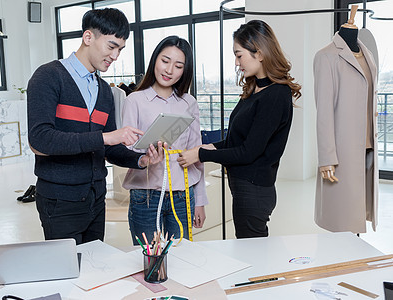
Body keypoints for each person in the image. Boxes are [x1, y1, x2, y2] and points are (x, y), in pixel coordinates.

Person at [27, 8, 163, 245]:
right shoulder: (48, 76)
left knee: (93, 272)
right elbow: (40, 139)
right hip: (60, 200)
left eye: (120, 49)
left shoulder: (104, 92)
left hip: (95, 199)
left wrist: (141, 161)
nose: (115, 56)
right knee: (69, 274)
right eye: (111, 46)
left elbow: (107, 148)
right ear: (88, 37)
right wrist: (105, 138)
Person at [178, 20, 301, 239]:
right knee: (252, 252)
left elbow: (249, 151)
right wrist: (211, 145)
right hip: (245, 187)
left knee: (254, 256)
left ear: (260, 53)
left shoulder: (274, 95)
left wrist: (201, 154)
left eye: (239, 54)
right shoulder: (255, 90)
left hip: (253, 190)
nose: (236, 62)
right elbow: (237, 139)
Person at [121, 36, 208, 245]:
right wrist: (146, 156)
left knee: (182, 259)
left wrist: (200, 201)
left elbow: (197, 154)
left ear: (184, 71)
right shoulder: (135, 100)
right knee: (150, 261)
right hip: (145, 195)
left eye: (178, 66)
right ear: (155, 61)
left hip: (182, 196)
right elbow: (126, 151)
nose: (169, 70)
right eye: (165, 61)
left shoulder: (189, 103)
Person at [314, 5, 378, 233]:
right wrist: (326, 158)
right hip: (343, 150)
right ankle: (339, 258)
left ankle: (355, 257)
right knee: (342, 217)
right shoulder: (326, 56)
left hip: (368, 148)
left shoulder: (367, 54)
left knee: (358, 210)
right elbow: (324, 111)